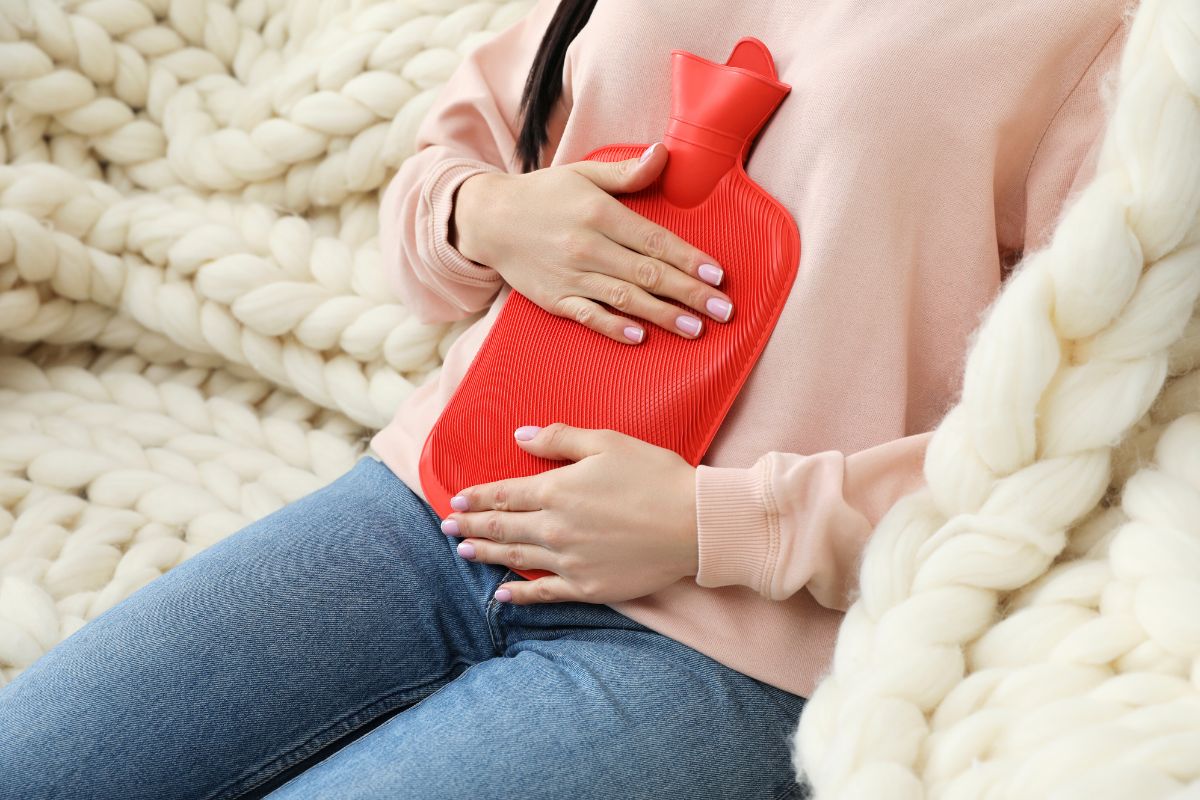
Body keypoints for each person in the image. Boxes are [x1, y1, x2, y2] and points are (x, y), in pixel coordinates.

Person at [0, 0, 1133, 797]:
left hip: (722, 643)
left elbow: (1078, 450)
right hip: (431, 512)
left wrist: (718, 521)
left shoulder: (1124, 43)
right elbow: (441, 193)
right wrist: (488, 215)